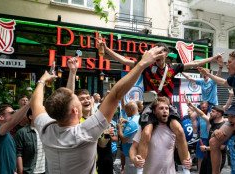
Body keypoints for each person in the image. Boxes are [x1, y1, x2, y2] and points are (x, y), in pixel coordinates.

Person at [30, 46, 167, 173]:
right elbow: (116, 94)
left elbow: (35, 103)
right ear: (75, 111)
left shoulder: (45, 128)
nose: (85, 100)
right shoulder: (85, 132)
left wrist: (42, 81)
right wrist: (142, 64)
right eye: (78, 99)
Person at [98, 41, 223, 165]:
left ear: (166, 55)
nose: (158, 54)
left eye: (161, 51)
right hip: (150, 107)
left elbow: (194, 63)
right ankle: (141, 166)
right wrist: (107, 49)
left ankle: (186, 166)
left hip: (167, 106)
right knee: (146, 134)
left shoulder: (173, 68)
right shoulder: (145, 67)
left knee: (180, 131)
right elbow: (125, 61)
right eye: (155, 51)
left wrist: (213, 58)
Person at [129, 97, 192, 174]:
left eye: (166, 108)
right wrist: (134, 159)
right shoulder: (144, 129)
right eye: (161, 108)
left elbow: (182, 146)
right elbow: (133, 148)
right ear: (154, 111)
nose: (165, 111)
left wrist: (188, 159)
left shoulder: (174, 130)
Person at [0, 103, 30, 174]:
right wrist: (29, 104)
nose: (14, 115)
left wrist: (14, 171)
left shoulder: (7, 133)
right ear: (1, 117)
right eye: (12, 113)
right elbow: (13, 121)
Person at [14, 109, 48, 174]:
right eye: (39, 114)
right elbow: (18, 153)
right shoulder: (22, 132)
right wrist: (20, 172)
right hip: (28, 171)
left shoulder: (46, 131)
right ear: (30, 117)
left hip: (45, 171)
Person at [116, 100, 141, 174]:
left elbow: (124, 139)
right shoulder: (138, 118)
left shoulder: (132, 122)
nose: (125, 112)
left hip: (131, 156)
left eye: (126, 110)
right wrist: (127, 122)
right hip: (134, 154)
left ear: (131, 109)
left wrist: (119, 128)